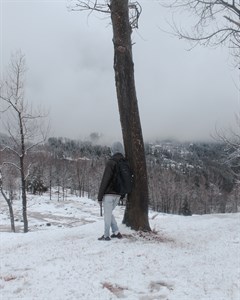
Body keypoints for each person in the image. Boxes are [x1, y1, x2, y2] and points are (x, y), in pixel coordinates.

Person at [97, 141, 124, 241]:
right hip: (118, 194)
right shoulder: (124, 163)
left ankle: (106, 235)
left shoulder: (111, 162)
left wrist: (100, 196)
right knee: (109, 213)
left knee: (107, 215)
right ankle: (116, 232)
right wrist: (122, 195)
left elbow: (105, 180)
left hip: (109, 194)